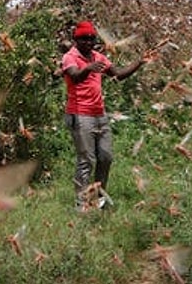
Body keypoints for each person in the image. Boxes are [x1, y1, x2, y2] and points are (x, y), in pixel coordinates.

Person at [61, 20, 148, 210]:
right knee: (86, 160)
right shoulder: (70, 57)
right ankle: (81, 204)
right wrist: (88, 68)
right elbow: (74, 76)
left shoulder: (98, 57)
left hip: (100, 114)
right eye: (84, 39)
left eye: (91, 39)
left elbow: (117, 74)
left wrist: (139, 62)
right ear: (76, 40)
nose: (89, 43)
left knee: (106, 157)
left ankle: (98, 199)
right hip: (79, 114)